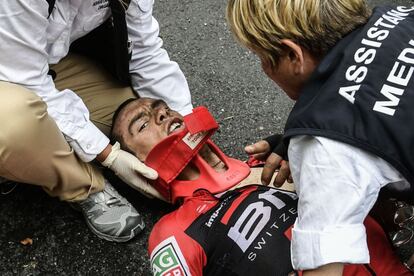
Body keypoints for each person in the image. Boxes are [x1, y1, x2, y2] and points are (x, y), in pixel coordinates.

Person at [111, 97, 410, 275]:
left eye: (161, 107)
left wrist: (311, 144)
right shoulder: (173, 232)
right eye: (143, 124)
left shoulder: (275, 162)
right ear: (137, 165)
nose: (161, 113)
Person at [226, 0, 414, 274]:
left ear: (293, 55)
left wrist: (316, 140)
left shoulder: (324, 152)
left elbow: (325, 268)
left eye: (263, 58)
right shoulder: (398, 13)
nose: (263, 69)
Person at [0, 0, 192, 242]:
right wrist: (108, 155)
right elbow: (28, 82)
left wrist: (187, 122)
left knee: (134, 120)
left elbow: (145, 52)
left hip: (36, 62)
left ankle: (30, 158)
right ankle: (85, 187)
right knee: (15, 127)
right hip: (15, 75)